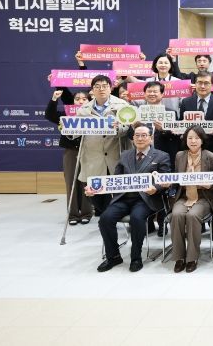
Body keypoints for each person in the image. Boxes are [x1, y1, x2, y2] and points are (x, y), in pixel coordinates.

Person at [86, 123, 171, 272]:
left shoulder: (161, 156)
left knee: (137, 219)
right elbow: (115, 179)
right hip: (124, 198)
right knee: (105, 218)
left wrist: (156, 188)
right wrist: (95, 189)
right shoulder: (125, 155)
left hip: (146, 199)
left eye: (144, 135)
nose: (140, 138)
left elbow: (165, 179)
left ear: (151, 138)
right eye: (137, 135)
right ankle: (113, 256)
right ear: (133, 138)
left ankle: (136, 257)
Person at [179, 70, 213, 241]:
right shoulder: (186, 102)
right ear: (194, 84)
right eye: (199, 82)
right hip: (193, 152)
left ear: (212, 85)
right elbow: (184, 128)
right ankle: (198, 224)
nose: (202, 86)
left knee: (212, 188)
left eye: (206, 83)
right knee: (194, 185)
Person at [167, 125, 213, 273]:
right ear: (185, 140)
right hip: (184, 196)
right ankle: (179, 257)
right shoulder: (180, 156)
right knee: (176, 214)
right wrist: (168, 183)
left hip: (203, 197)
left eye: (197, 138)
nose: (193, 141)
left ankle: (192, 258)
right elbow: (176, 179)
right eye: (190, 138)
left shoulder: (211, 156)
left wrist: (211, 185)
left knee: (192, 215)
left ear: (202, 140)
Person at [76, 75, 131, 216]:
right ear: (92, 90)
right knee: (96, 196)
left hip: (115, 154)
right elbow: (75, 133)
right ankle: (107, 216)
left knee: (117, 193)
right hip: (93, 157)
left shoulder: (122, 105)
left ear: (110, 88)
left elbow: (128, 127)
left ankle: (111, 218)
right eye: (97, 86)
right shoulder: (83, 109)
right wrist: (66, 129)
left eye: (105, 86)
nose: (101, 89)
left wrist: (118, 128)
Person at [45, 87, 92, 225]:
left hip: (90, 151)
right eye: (77, 99)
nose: (80, 101)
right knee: (71, 181)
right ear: (73, 101)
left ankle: (86, 213)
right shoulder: (66, 115)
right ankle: (73, 215)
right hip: (71, 151)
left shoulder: (94, 114)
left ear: (89, 101)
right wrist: (54, 98)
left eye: (84, 99)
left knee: (86, 182)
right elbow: (49, 115)